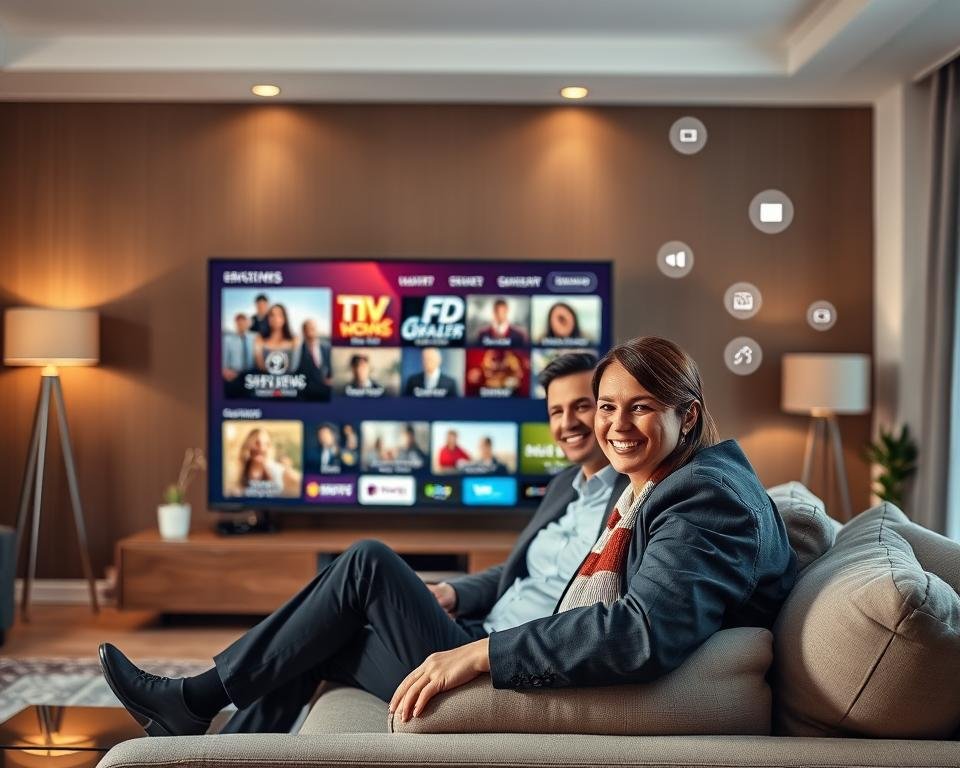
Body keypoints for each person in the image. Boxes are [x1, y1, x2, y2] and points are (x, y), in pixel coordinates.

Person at [99, 339, 796, 735]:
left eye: (636, 408)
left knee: (365, 566)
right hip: (501, 631)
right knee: (327, 634)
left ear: (687, 415)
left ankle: (196, 703)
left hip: (522, 660)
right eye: (605, 407)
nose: (610, 425)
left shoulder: (698, 495)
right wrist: (458, 595)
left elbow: (642, 632)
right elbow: (524, 576)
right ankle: (222, 738)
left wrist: (480, 653)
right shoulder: (629, 481)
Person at [226, 427, 301, 498]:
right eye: (257, 443)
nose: (262, 448)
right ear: (248, 445)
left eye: (267, 444)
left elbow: (300, 481)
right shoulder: (236, 472)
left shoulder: (277, 470)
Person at [253, 304, 300, 374]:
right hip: (265, 379)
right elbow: (260, 367)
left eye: (279, 315)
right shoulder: (260, 339)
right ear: (268, 319)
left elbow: (293, 367)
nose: (275, 318)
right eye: (272, 315)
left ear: (285, 318)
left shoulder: (294, 339)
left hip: (288, 379)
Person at [296, 319, 332, 401]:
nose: (311, 332)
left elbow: (331, 368)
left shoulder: (327, 348)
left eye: (313, 329)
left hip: (326, 394)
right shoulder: (298, 351)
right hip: (306, 395)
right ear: (303, 332)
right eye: (308, 329)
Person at [222, 313, 257, 397]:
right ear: (236, 324)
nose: (241, 325)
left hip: (252, 375)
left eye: (243, 322)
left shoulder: (255, 338)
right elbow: (223, 360)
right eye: (239, 323)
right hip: (235, 375)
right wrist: (225, 371)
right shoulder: (227, 340)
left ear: (247, 323)